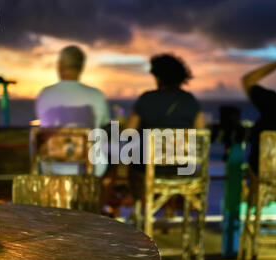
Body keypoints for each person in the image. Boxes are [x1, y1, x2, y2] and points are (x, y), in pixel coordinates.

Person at [125, 53, 206, 217]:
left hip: (151, 168)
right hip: (183, 168)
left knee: (130, 164)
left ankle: (141, 209)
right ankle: (171, 211)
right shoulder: (190, 100)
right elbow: (201, 136)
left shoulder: (147, 99)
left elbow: (129, 132)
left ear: (157, 76)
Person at [35, 45, 110, 176]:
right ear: (81, 67)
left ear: (60, 65)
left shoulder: (45, 94)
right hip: (91, 167)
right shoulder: (97, 95)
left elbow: (43, 127)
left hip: (52, 166)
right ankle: (99, 194)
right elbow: (104, 127)